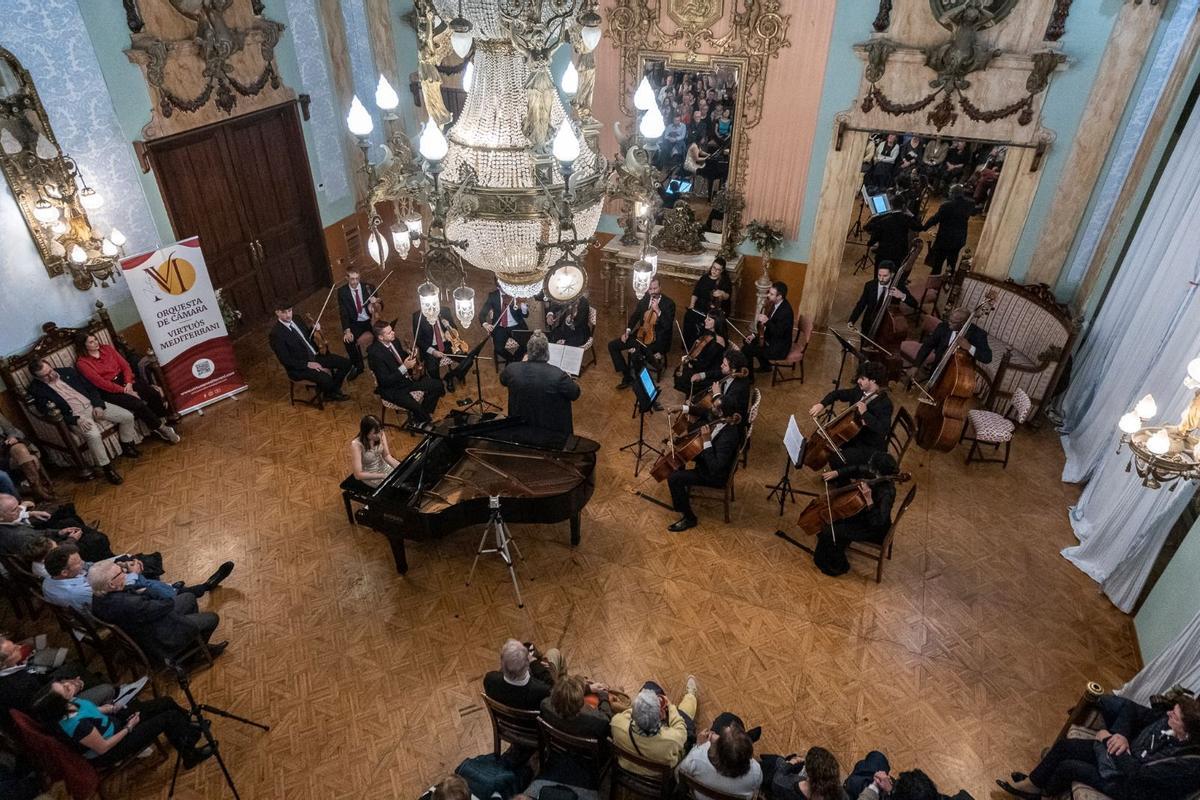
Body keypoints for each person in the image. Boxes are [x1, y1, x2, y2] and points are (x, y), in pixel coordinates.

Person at [997, 694, 1200, 800]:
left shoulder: (1187, 764)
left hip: (1131, 790)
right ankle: (1033, 784)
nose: (1168, 715)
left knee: (1069, 766)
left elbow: (1137, 775)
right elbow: (1132, 710)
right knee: (1065, 747)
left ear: (1188, 730)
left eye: (1175, 716)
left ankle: (1043, 794)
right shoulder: (1168, 721)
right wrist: (1120, 736)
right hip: (1120, 759)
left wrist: (1107, 740)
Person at [31, 678, 213, 769]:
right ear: (59, 704)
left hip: (112, 723)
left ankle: (188, 727)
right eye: (64, 688)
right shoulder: (76, 726)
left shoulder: (71, 703)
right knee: (168, 717)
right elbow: (103, 747)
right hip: (113, 746)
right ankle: (190, 755)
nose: (67, 684)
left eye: (63, 684)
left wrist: (110, 708)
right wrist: (129, 727)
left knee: (164, 702)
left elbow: (90, 711)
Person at [88, 560, 227, 663]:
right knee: (212, 618)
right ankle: (193, 657)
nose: (124, 573)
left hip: (146, 626)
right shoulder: (131, 603)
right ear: (111, 584)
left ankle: (193, 644)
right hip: (160, 636)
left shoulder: (97, 597)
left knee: (189, 597)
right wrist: (148, 591)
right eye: (120, 573)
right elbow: (167, 602)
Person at [27, 359, 136, 485]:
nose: (50, 375)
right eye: (45, 376)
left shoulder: (67, 372)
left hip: (93, 406)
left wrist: (97, 405)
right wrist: (75, 420)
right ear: (37, 377)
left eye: (50, 371)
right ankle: (107, 469)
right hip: (77, 417)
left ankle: (127, 445)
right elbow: (48, 413)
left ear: (51, 366)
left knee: (127, 416)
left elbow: (91, 388)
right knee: (94, 436)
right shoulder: (36, 390)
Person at [74, 333, 179, 446]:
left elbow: (125, 366)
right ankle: (162, 429)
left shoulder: (107, 348)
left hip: (125, 380)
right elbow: (100, 383)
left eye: (95, 339)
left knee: (151, 392)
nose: (96, 343)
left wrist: (128, 383)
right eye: (91, 342)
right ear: (83, 346)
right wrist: (124, 390)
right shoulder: (82, 363)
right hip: (110, 389)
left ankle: (160, 422)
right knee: (137, 404)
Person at [812, 451, 899, 577]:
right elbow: (859, 468)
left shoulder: (887, 492)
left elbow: (878, 521)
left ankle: (836, 565)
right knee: (834, 519)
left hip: (872, 528)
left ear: (877, 471)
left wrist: (869, 500)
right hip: (864, 514)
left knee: (829, 530)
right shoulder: (878, 476)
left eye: (871, 466)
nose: (868, 467)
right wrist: (837, 473)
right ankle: (832, 545)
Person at [808, 361, 893, 467]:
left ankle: (842, 479)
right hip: (854, 435)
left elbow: (883, 430)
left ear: (873, 380)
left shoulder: (885, 404)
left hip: (868, 445)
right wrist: (822, 404)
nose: (858, 381)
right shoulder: (859, 391)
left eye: (862, 378)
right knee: (830, 444)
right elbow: (837, 394)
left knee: (835, 459)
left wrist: (865, 414)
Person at [666, 415, 743, 532]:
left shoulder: (728, 437)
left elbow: (714, 467)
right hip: (710, 462)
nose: (713, 407)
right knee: (681, 455)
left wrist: (707, 440)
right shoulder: (724, 423)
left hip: (714, 475)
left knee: (673, 478)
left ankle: (689, 518)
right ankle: (681, 495)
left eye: (717, 407)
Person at [500, 331, 581, 439]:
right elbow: (575, 393)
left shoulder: (511, 369)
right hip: (552, 432)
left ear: (527, 353)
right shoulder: (559, 375)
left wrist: (521, 362)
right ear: (547, 353)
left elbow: (503, 380)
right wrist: (568, 378)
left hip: (520, 429)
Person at [610, 677, 699, 773]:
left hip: (628, 766)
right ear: (661, 717)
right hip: (656, 775)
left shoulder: (616, 723)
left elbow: (629, 712)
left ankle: (689, 696)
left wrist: (643, 707)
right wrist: (669, 705)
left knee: (650, 685)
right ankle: (690, 695)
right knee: (687, 722)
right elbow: (681, 726)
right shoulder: (671, 740)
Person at [268, 301, 351, 402]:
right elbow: (286, 360)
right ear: (277, 313)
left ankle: (331, 391)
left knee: (346, 363)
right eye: (284, 312)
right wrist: (308, 364)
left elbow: (307, 336)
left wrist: (314, 328)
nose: (288, 315)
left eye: (290, 311)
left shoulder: (297, 318)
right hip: (300, 367)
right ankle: (331, 391)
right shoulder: (276, 335)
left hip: (316, 356)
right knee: (326, 378)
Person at [366, 321, 444, 424]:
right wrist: (404, 367)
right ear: (381, 337)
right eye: (389, 333)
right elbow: (385, 380)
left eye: (392, 330)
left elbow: (400, 356)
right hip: (392, 389)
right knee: (415, 406)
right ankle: (425, 421)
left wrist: (410, 354)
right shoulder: (374, 354)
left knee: (437, 385)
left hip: (406, 380)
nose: (393, 333)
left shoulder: (395, 341)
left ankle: (422, 415)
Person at [0, 494, 113, 563]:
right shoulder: (20, 537)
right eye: (15, 510)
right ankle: (109, 560)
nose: (21, 510)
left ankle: (87, 533)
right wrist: (72, 540)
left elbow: (38, 533)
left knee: (68, 521)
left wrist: (59, 532)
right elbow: (53, 556)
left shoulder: (6, 522)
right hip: (53, 558)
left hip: (42, 544)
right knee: (98, 539)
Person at [609, 278, 675, 390]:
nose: (653, 291)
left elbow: (667, 326)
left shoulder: (669, 304)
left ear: (660, 287)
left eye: (655, 288)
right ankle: (627, 375)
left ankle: (641, 383)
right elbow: (635, 316)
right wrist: (628, 331)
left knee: (636, 354)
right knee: (612, 345)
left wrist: (658, 311)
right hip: (641, 334)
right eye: (650, 289)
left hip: (657, 339)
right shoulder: (644, 299)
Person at [677, 717, 762, 800]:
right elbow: (754, 789)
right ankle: (748, 738)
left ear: (716, 749)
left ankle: (748, 737)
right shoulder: (755, 772)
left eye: (719, 737)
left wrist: (698, 745)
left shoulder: (696, 758)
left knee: (724, 717)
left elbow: (679, 773)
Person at [482, 638, 564, 711]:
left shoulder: (490, 679)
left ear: (502, 665)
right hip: (534, 725)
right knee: (554, 653)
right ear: (526, 667)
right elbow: (553, 688)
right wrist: (535, 663)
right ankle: (567, 690)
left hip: (508, 721)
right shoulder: (542, 691)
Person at [677, 348, 751, 424]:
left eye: (724, 365)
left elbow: (728, 405)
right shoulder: (731, 373)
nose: (721, 366)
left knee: (698, 422)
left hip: (730, 419)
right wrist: (702, 375)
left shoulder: (740, 387)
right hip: (722, 409)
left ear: (733, 370)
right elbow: (719, 373)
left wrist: (717, 394)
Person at [912, 307, 992, 375]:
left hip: (959, 374)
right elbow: (927, 345)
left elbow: (987, 357)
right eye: (949, 320)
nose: (949, 323)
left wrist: (969, 347)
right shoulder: (943, 326)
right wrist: (916, 365)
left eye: (953, 322)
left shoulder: (978, 334)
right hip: (937, 368)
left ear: (963, 323)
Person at [848, 262, 918, 334]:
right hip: (868, 324)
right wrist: (852, 320)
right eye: (879, 275)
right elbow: (861, 304)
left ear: (892, 275)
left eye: (885, 276)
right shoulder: (870, 285)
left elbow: (915, 304)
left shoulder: (898, 287)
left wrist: (902, 295)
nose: (881, 279)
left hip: (887, 327)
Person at [921, 184, 975, 275]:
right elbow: (973, 213)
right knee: (952, 261)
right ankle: (948, 281)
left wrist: (923, 227)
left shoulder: (946, 206)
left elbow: (935, 219)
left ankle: (934, 282)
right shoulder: (970, 204)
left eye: (950, 192)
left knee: (938, 263)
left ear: (953, 194)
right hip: (959, 239)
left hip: (945, 239)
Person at [0, 413, 55, 502]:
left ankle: (37, 489)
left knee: (20, 449)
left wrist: (12, 438)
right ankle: (38, 491)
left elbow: (11, 430)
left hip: (6, 448)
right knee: (30, 458)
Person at [336, 267, 378, 379]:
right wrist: (347, 330)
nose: (355, 282)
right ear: (347, 278)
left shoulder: (369, 287)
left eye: (357, 278)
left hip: (371, 320)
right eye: (352, 279)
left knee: (383, 331)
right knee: (348, 341)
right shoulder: (342, 292)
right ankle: (358, 366)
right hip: (356, 322)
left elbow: (380, 306)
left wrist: (376, 302)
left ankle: (378, 358)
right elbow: (343, 313)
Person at [742, 281, 794, 373]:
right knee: (747, 340)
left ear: (779, 296)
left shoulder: (786, 312)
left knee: (747, 349)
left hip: (779, 347)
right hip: (769, 339)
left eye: (771, 294)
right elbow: (764, 329)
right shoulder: (773, 303)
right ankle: (765, 366)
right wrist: (754, 335)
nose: (768, 295)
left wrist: (767, 322)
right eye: (769, 292)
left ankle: (749, 378)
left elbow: (779, 334)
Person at [341, 415, 399, 495]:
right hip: (370, 475)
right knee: (393, 489)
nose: (379, 435)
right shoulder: (356, 445)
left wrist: (399, 467)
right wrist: (382, 476)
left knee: (403, 479)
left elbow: (386, 456)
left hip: (384, 467)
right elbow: (358, 475)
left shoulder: (380, 433)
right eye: (375, 433)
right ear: (366, 432)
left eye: (380, 431)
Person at [763, 746, 848, 800]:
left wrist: (791, 762)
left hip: (776, 788)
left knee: (777, 762)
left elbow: (777, 780)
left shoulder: (787, 786)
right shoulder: (840, 794)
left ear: (808, 773)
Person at [675, 312, 729, 394]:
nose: (705, 320)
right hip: (705, 363)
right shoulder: (710, 333)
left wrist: (691, 362)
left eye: (709, 319)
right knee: (681, 368)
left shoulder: (718, 342)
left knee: (683, 375)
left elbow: (705, 363)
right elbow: (703, 352)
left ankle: (692, 399)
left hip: (710, 372)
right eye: (706, 318)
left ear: (717, 322)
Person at [412, 305, 463, 390]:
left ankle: (449, 376)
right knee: (432, 369)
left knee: (468, 360)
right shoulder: (418, 316)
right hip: (431, 347)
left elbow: (454, 328)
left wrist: (449, 328)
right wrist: (433, 351)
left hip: (447, 343)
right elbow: (418, 340)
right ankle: (439, 386)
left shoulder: (445, 310)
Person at [685, 258, 732, 347]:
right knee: (689, 316)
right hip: (699, 306)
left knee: (707, 320)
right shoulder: (704, 278)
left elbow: (727, 296)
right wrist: (692, 305)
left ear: (722, 271)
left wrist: (722, 293)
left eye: (718, 269)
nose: (714, 270)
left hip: (712, 309)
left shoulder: (724, 281)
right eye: (713, 267)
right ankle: (689, 344)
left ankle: (702, 344)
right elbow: (695, 293)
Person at [481, 283, 530, 362]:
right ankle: (511, 360)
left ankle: (515, 359)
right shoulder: (493, 296)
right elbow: (482, 314)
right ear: (498, 287)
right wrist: (485, 324)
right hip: (500, 327)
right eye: (504, 287)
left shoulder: (516, 294)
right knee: (498, 349)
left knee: (527, 344)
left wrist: (524, 308)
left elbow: (525, 315)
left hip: (516, 325)